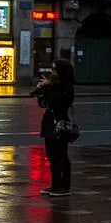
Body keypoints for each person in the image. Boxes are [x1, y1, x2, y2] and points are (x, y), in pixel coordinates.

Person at [33, 58, 76, 197]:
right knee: (52, 155)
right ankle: (55, 184)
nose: (53, 72)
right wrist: (41, 90)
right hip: (50, 123)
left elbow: (58, 102)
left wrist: (49, 87)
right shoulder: (53, 85)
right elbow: (45, 103)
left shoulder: (67, 86)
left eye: (55, 69)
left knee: (61, 155)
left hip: (60, 124)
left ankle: (64, 186)